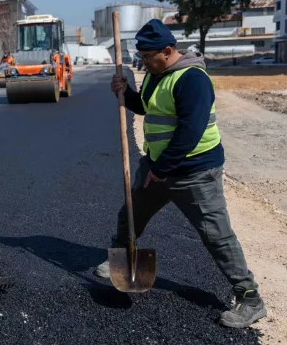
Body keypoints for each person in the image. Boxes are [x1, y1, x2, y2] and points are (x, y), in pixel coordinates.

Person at [95, 19, 266, 329]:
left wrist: (160, 169)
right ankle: (121, 258)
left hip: (196, 172)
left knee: (217, 235)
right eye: (141, 57)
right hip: (159, 169)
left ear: (169, 51)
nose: (143, 62)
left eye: (147, 57)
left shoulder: (192, 79)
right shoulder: (155, 75)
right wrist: (126, 92)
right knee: (131, 214)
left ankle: (249, 298)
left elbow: (190, 131)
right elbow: (147, 107)